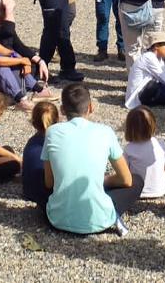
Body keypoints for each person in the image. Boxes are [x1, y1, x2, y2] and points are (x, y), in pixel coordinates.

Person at [43, 83, 143, 236]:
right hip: (98, 220)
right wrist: (104, 180)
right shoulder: (105, 132)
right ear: (91, 107)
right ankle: (108, 209)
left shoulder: (52, 132)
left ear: (62, 110)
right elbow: (127, 180)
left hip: (58, 219)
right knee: (137, 180)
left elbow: (49, 182)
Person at [0, 0, 51, 87]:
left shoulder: (3, 25)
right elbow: (8, 32)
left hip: (9, 60)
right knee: (21, 83)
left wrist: (40, 61)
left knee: (28, 72)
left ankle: (35, 87)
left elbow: (18, 45)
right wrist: (9, 9)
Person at [123, 106, 165, 200]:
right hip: (160, 190)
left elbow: (124, 172)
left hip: (136, 191)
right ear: (153, 125)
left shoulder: (129, 149)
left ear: (129, 128)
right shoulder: (160, 144)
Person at [124, 30, 165, 109]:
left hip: (147, 90)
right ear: (156, 46)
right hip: (139, 97)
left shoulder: (157, 58)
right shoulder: (149, 57)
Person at [22, 101, 59, 206]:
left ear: (33, 123)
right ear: (57, 121)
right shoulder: (56, 144)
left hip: (29, 191)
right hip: (48, 195)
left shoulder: (31, 143)